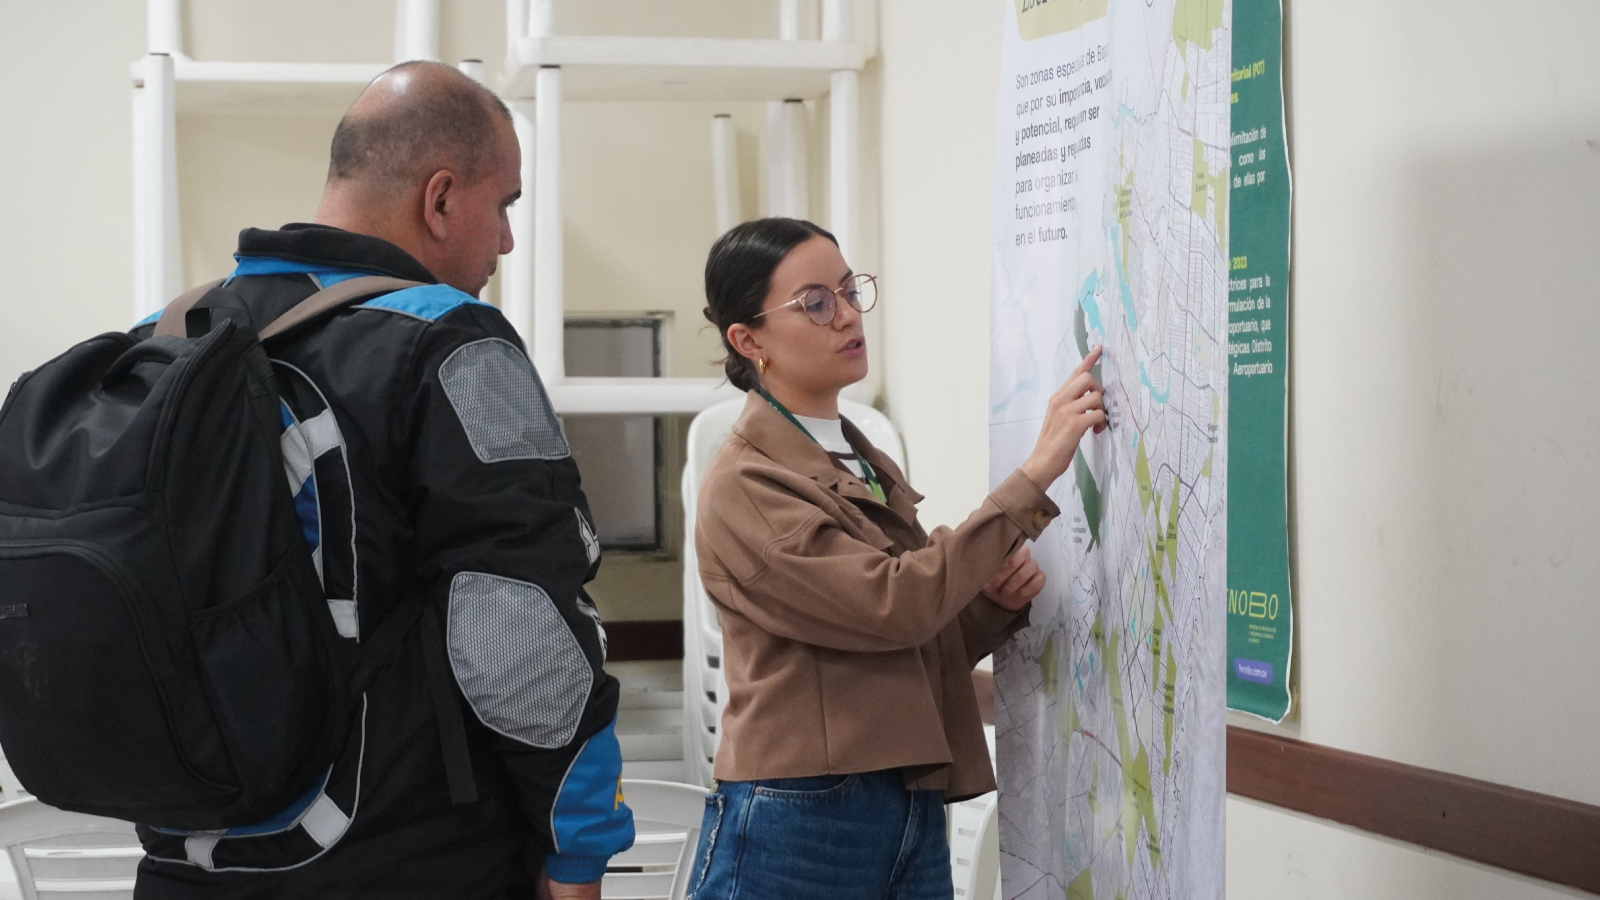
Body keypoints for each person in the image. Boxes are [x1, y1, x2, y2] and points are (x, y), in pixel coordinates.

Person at [130, 62, 632, 900]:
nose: (507, 241)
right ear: (440, 200)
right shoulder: (453, 342)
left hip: (185, 859)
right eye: (504, 205)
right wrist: (577, 847)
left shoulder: (165, 337)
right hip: (403, 857)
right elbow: (520, 620)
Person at [687, 218, 1106, 900]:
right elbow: (893, 606)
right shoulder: (747, 483)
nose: (848, 315)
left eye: (850, 290)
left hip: (902, 798)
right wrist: (1033, 478)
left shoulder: (854, 455)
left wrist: (988, 609)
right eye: (815, 303)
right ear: (748, 340)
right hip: (803, 813)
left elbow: (902, 646)